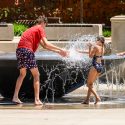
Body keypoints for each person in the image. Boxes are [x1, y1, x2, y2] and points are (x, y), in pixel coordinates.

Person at [12, 16, 68, 105]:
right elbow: (46, 43)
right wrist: (62, 49)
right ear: (43, 23)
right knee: (36, 75)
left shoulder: (32, 29)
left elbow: (45, 46)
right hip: (27, 50)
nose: (45, 27)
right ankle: (37, 99)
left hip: (19, 50)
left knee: (22, 74)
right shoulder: (40, 28)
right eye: (45, 25)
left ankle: (15, 97)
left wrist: (58, 52)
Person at [77, 36, 105, 104]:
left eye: (97, 40)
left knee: (88, 85)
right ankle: (87, 100)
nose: (96, 41)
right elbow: (94, 53)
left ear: (99, 41)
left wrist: (89, 47)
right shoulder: (103, 48)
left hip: (95, 66)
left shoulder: (95, 47)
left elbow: (90, 56)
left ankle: (97, 98)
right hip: (100, 66)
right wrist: (80, 51)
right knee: (91, 84)